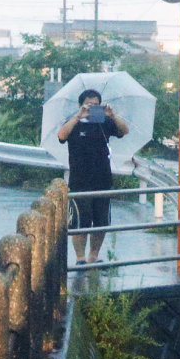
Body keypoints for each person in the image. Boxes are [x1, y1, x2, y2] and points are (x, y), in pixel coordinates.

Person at [57, 88, 130, 265]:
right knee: (80, 222)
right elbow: (61, 136)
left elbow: (124, 131)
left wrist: (112, 115)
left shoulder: (104, 123)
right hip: (80, 180)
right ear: (81, 105)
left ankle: (94, 256)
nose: (92, 108)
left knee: (101, 222)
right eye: (89, 104)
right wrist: (78, 116)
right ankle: (80, 258)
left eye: (96, 105)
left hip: (103, 179)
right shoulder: (74, 123)